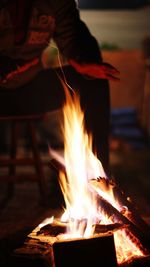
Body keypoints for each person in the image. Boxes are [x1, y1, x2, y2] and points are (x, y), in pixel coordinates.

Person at [0, 0, 119, 205]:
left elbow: (74, 35)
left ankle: (91, 185)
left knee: (91, 82)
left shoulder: (55, 3)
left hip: (28, 89)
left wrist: (84, 60)